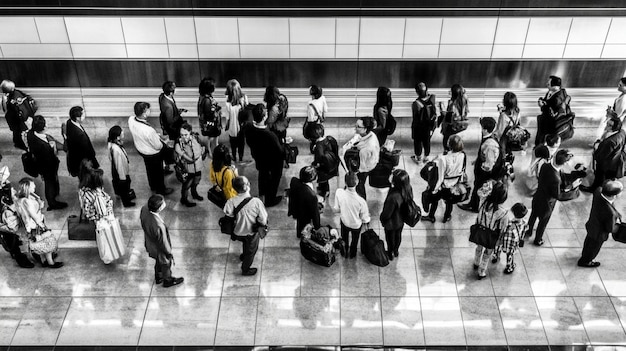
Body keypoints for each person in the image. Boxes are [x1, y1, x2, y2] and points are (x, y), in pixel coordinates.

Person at [526, 149, 575, 246]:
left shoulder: (545, 166)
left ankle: (529, 230)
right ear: (564, 163)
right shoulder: (556, 179)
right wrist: (572, 189)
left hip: (538, 196)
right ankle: (538, 239)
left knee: (533, 215)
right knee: (543, 222)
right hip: (547, 203)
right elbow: (558, 195)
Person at [223, 176, 268, 276]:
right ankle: (246, 269)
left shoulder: (231, 202)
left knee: (244, 241)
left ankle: (243, 255)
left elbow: (228, 214)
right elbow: (263, 219)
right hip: (250, 232)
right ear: (247, 186)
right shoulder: (256, 202)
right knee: (251, 251)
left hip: (237, 231)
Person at [14, 177, 63, 268]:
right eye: (32, 185)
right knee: (47, 243)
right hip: (36, 225)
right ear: (27, 187)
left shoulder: (20, 200)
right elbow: (34, 215)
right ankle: (50, 263)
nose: (35, 186)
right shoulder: (27, 201)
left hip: (29, 227)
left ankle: (43, 260)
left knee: (40, 243)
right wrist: (40, 207)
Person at [128, 102, 173, 196]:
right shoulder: (148, 130)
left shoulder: (131, 120)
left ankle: (152, 185)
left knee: (149, 169)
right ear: (144, 113)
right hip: (153, 153)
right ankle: (161, 189)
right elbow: (158, 146)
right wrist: (163, 141)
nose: (150, 111)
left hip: (141, 150)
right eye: (148, 109)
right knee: (158, 171)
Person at [458, 117, 502, 213]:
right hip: (481, 170)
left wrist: (481, 168)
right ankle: (472, 203)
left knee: (479, 188)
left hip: (484, 174)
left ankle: (475, 207)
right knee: (476, 186)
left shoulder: (490, 145)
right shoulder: (489, 138)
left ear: (485, 129)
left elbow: (489, 163)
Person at [244, 104, 284, 207]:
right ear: (265, 116)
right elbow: (279, 152)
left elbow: (249, 142)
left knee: (262, 176)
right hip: (272, 162)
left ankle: (262, 195)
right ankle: (270, 199)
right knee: (274, 179)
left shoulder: (248, 128)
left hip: (259, 158)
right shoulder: (270, 136)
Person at [140, 194, 184, 287]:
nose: (164, 203)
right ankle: (168, 280)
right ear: (159, 208)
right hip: (158, 248)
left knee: (158, 261)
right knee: (165, 263)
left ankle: (158, 276)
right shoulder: (158, 225)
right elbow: (163, 242)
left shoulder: (144, 209)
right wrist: (169, 253)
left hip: (150, 243)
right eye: (163, 203)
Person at [26, 115, 68, 210]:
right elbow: (56, 152)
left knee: (51, 181)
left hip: (40, 162)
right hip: (47, 166)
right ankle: (52, 203)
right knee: (49, 183)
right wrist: (53, 147)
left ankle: (55, 193)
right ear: (44, 128)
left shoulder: (30, 134)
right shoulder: (44, 146)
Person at [578, 180, 623, 268]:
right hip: (599, 233)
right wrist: (616, 221)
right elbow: (609, 228)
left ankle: (585, 254)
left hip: (592, 225)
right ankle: (586, 261)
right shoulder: (610, 213)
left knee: (588, 242)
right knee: (593, 248)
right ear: (615, 196)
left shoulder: (598, 192)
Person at [423, 135, 466, 223]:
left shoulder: (443, 158)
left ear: (450, 145)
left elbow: (440, 176)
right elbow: (463, 170)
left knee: (435, 200)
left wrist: (434, 189)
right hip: (454, 184)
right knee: (449, 202)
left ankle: (431, 216)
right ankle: (446, 216)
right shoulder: (462, 155)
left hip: (444, 185)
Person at [0, 157, 35, 268]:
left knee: (11, 232)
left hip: (7, 211)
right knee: (8, 233)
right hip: (3, 215)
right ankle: (18, 255)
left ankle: (15, 250)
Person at [473, 180, 509, 280]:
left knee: (479, 248)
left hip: (480, 230)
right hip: (491, 236)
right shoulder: (503, 213)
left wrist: (489, 186)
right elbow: (502, 228)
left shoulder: (483, 200)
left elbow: (480, 191)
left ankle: (476, 262)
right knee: (487, 254)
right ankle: (481, 271)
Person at [581, 117, 626, 193]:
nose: (606, 126)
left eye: (609, 125)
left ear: (614, 127)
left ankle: (594, 189)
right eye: (607, 124)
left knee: (600, 176)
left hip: (606, 163)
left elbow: (601, 156)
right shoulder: (621, 132)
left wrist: (596, 148)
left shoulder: (610, 142)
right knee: (605, 176)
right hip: (615, 159)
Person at [332, 172, 371, 259]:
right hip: (356, 225)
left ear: (345, 183)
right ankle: (352, 253)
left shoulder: (339, 193)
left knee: (344, 238)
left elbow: (336, 209)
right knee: (355, 240)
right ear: (357, 183)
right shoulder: (361, 201)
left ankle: (344, 251)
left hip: (344, 222)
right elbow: (365, 218)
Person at [343, 117, 380, 200]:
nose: (355, 128)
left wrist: (355, 172)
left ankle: (361, 201)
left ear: (365, 129)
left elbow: (362, 166)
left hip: (364, 168)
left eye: (358, 127)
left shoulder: (368, 147)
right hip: (362, 160)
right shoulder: (369, 134)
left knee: (360, 184)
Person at [380, 169, 413, 260]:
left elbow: (387, 214)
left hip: (391, 223)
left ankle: (390, 253)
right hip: (401, 220)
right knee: (398, 235)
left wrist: (382, 219)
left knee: (390, 239)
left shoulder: (393, 197)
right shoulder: (408, 189)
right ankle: (396, 251)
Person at [492, 202, 528, 274]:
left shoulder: (509, 224)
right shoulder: (524, 222)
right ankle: (509, 267)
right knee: (510, 255)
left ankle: (495, 256)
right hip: (512, 243)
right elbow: (524, 232)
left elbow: (502, 230)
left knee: (497, 248)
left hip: (503, 240)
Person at [175, 122, 204, 207]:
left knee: (196, 182)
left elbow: (202, 147)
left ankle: (194, 193)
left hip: (198, 167)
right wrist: (183, 154)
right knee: (186, 185)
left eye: (185, 134)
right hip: (188, 169)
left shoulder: (196, 138)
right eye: (181, 135)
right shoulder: (178, 142)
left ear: (190, 132)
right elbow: (177, 154)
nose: (183, 137)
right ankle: (184, 200)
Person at [65, 106, 99, 177]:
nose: (85, 115)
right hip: (82, 160)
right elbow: (86, 151)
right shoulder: (80, 135)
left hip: (75, 157)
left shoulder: (69, 122)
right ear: (77, 118)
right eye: (83, 114)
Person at [288, 166, 321, 238]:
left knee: (300, 224)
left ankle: (299, 234)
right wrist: (318, 227)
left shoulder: (294, 181)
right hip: (305, 214)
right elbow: (315, 215)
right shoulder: (312, 196)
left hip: (298, 209)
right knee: (304, 228)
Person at [536, 75, 569, 146]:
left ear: (555, 86)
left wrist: (542, 105)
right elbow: (547, 102)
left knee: (545, 138)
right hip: (546, 120)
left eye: (549, 83)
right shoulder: (551, 92)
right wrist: (543, 101)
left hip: (551, 123)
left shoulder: (557, 98)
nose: (547, 84)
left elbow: (551, 111)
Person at [107, 126, 135, 207]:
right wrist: (123, 177)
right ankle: (127, 202)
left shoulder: (113, 144)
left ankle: (121, 194)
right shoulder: (115, 149)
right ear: (117, 136)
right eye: (121, 132)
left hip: (121, 171)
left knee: (123, 186)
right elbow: (119, 165)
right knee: (125, 187)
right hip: (122, 173)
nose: (123, 132)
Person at [410, 82, 437, 164]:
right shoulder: (432, 99)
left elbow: (415, 117)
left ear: (417, 92)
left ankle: (418, 158)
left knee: (417, 142)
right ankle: (426, 158)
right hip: (428, 127)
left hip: (418, 127)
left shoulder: (416, 104)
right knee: (427, 142)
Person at [311, 123, 339, 198]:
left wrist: (314, 165)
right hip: (331, 165)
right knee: (326, 180)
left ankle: (323, 192)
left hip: (323, 169)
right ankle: (327, 191)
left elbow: (318, 159)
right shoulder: (329, 139)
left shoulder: (318, 146)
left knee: (322, 181)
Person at [224, 79, 249, 163]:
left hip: (232, 126)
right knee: (241, 143)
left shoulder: (227, 102)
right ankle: (241, 157)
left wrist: (226, 125)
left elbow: (227, 117)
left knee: (233, 143)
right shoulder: (244, 98)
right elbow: (247, 109)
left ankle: (234, 157)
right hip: (242, 126)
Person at [1, 79, 29, 151]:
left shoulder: (5, 97)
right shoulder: (9, 99)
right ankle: (21, 144)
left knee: (16, 131)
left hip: (11, 117)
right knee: (21, 129)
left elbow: (5, 109)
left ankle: (17, 142)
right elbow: (11, 108)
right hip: (14, 118)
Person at [440, 84, 469, 152]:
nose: (449, 92)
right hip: (460, 123)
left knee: (446, 137)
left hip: (453, 125)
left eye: (451, 91)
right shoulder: (464, 99)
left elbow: (448, 118)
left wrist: (442, 110)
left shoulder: (452, 105)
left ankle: (447, 150)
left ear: (454, 94)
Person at [198, 77, 222, 158]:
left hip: (207, 124)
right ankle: (213, 152)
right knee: (213, 138)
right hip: (212, 124)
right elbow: (209, 114)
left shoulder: (202, 97)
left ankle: (211, 150)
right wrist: (217, 110)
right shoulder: (207, 100)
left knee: (210, 138)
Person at [304, 85, 328, 151]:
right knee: (319, 135)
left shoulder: (310, 104)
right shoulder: (323, 98)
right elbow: (325, 110)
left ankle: (314, 148)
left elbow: (310, 118)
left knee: (312, 136)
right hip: (320, 121)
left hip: (313, 122)